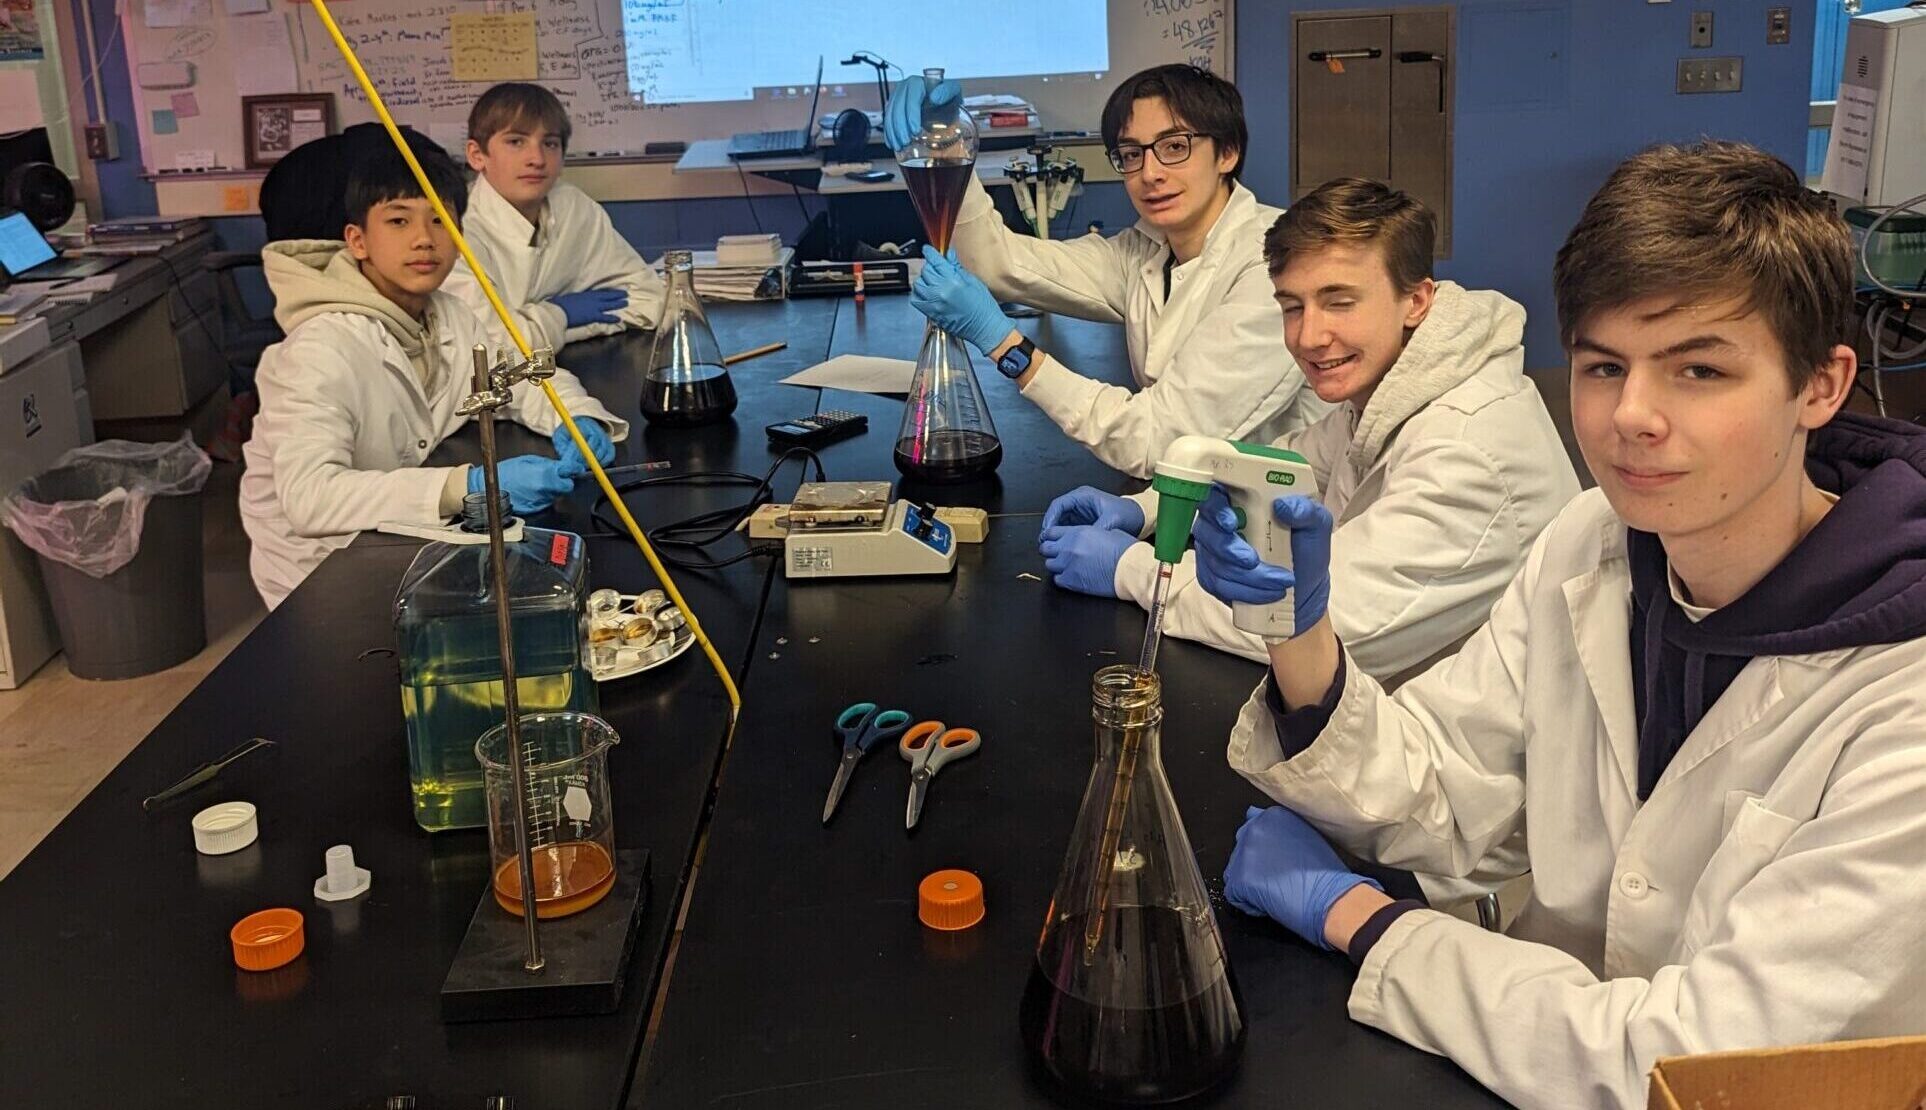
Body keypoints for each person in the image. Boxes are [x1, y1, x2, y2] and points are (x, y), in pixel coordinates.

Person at [1202, 141, 1926, 1109]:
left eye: (1699, 369)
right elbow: (1443, 790)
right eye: (1602, 365)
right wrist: (1298, 632)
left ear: (1822, 387)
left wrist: (1365, 923)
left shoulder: (1902, 695)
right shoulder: (1594, 542)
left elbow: (1695, 1068)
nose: (1632, 415)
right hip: (1513, 1055)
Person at [1038, 179, 1578, 687]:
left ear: (1416, 301)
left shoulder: (1467, 448)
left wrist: (1131, 570)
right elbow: (1288, 467)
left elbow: (1325, 625)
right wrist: (1153, 507)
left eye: (1340, 302)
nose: (1310, 336)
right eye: (1292, 307)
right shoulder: (1400, 385)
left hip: (1461, 739)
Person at [884, 65, 1329, 478]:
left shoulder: (1275, 264)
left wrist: (1006, 346)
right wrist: (948, 144)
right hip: (1197, 503)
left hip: (1280, 522)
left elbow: (1160, 442)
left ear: (1227, 152)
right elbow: (1000, 265)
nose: (1150, 173)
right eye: (1131, 154)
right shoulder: (1147, 252)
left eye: (1175, 147)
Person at [241, 135, 625, 609]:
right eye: (399, 220)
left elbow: (519, 377)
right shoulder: (320, 347)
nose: (424, 238)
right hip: (322, 571)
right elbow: (311, 498)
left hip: (401, 538)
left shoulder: (448, 314)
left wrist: (575, 417)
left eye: (441, 220)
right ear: (357, 240)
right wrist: (468, 487)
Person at [443, 82, 663, 357]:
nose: (536, 159)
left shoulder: (574, 207)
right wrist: (561, 315)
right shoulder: (452, 228)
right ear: (477, 156)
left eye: (550, 144)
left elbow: (650, 299)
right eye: (516, 142)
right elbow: (489, 347)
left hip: (570, 363)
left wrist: (551, 328)